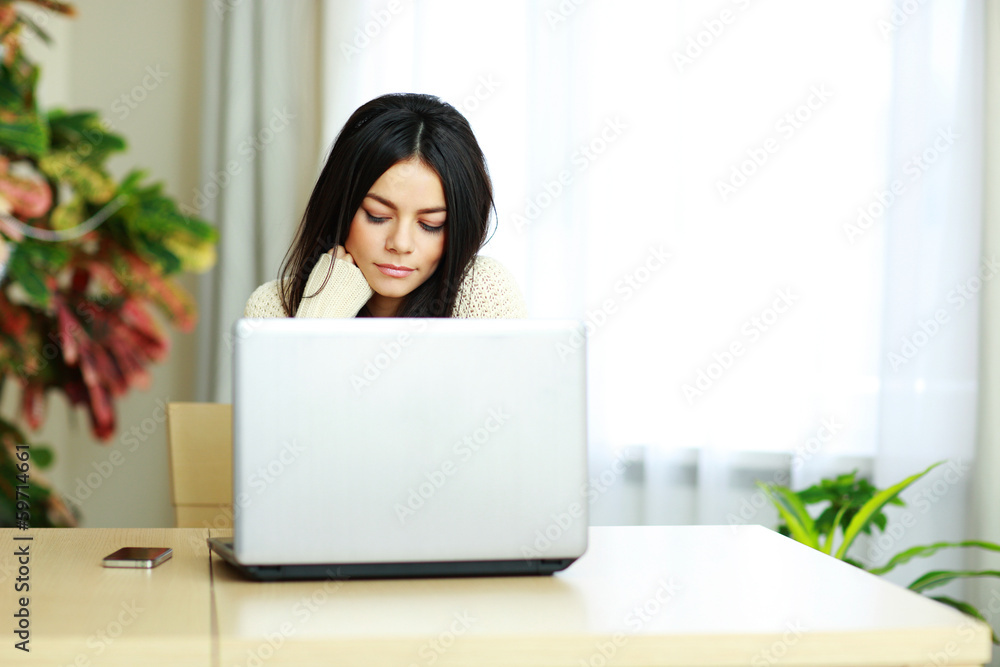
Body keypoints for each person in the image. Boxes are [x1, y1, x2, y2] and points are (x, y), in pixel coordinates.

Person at [243, 93, 525, 319]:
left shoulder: (482, 292)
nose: (400, 244)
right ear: (340, 205)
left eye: (431, 225)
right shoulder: (273, 307)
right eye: (377, 216)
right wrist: (320, 316)